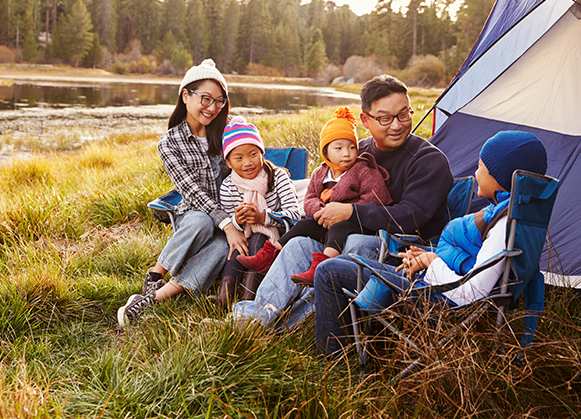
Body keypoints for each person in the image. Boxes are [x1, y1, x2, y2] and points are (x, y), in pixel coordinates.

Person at [228, 74, 453, 331]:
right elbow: (325, 187)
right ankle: (255, 318)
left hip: (401, 248)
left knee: (353, 245)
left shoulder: (428, 161)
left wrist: (350, 212)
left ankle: (287, 327)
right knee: (301, 242)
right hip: (343, 234)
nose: (397, 125)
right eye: (385, 118)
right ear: (365, 120)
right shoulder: (355, 151)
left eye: (404, 114)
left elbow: (411, 216)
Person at [313, 130, 549, 358]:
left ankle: (334, 363)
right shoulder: (517, 216)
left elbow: (472, 293)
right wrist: (427, 255)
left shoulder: (502, 226)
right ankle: (364, 351)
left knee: (328, 271)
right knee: (345, 261)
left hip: (438, 301)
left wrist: (432, 262)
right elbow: (477, 266)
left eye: (480, 167)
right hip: (438, 287)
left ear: (500, 178)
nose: (476, 174)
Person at [117, 59, 247, 327]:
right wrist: (224, 222)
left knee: (225, 246)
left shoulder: (230, 129)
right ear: (186, 95)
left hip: (231, 215)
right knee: (201, 220)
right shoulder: (170, 142)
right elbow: (192, 191)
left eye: (219, 101)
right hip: (193, 214)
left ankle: (155, 298)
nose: (212, 108)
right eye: (206, 99)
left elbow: (251, 165)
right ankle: (156, 273)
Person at [237, 106, 392, 287]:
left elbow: (377, 198)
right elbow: (309, 198)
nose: (346, 153)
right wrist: (319, 209)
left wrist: (346, 210)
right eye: (339, 148)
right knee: (303, 225)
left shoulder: (363, 170)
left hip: (356, 223)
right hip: (326, 221)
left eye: (352, 147)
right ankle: (268, 255)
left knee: (339, 228)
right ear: (326, 152)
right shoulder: (321, 173)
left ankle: (321, 267)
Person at [209, 117, 300, 310]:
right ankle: (224, 297)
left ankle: (248, 298)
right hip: (244, 235)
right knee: (238, 245)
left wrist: (263, 217)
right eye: (239, 158)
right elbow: (229, 225)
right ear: (229, 163)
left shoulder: (278, 177)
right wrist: (238, 220)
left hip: (278, 238)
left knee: (259, 237)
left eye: (253, 154)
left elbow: (294, 217)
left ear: (261, 153)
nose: (248, 162)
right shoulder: (228, 186)